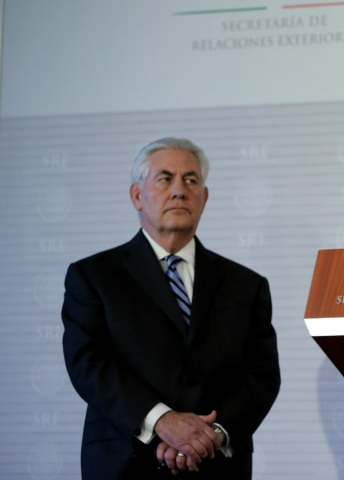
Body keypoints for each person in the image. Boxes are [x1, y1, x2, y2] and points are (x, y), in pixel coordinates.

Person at [62, 137, 281, 479]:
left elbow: (262, 375)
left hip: (217, 466)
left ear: (204, 198)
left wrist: (211, 435)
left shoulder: (246, 285)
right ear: (137, 195)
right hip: (124, 462)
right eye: (165, 179)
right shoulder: (94, 276)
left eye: (191, 180)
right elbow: (89, 363)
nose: (179, 190)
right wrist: (162, 421)